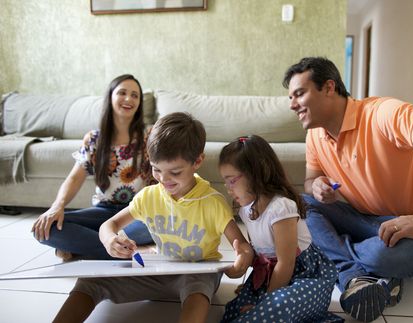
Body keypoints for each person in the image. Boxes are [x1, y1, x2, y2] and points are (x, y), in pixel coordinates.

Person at [282, 57, 413, 322]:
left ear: (328, 87)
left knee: (380, 254)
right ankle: (355, 275)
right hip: (365, 220)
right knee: (301, 203)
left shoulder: (381, 112)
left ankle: (337, 257)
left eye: (299, 94)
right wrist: (316, 185)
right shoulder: (315, 135)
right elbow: (309, 182)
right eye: (290, 97)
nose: (292, 105)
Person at [52, 112, 254, 323]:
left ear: (197, 161)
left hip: (197, 274)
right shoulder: (150, 196)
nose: (164, 179)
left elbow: (242, 246)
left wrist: (240, 262)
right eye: (156, 169)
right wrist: (110, 240)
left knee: (198, 289)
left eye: (175, 172)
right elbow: (109, 225)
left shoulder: (213, 201)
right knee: (89, 282)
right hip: (158, 269)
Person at [218, 135, 343, 323]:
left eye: (232, 181)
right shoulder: (246, 209)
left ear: (255, 173)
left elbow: (286, 263)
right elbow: (260, 252)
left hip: (305, 275)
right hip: (273, 277)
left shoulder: (281, 208)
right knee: (236, 309)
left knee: (279, 304)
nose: (228, 188)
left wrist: (264, 301)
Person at [31, 74, 155, 260]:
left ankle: (89, 246)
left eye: (135, 95)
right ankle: (125, 248)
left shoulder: (150, 135)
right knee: (46, 227)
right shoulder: (94, 139)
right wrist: (57, 207)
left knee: (156, 226)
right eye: (122, 93)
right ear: (110, 97)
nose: (129, 99)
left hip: (138, 213)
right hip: (103, 212)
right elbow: (74, 178)